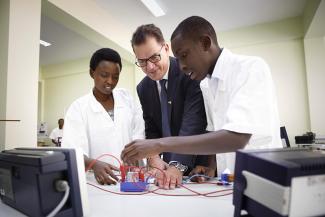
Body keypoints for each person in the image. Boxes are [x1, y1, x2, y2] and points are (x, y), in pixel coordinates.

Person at [122, 16, 282, 176]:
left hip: (264, 174)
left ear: (205, 43)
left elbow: (237, 138)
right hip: (231, 177)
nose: (182, 66)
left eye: (184, 55)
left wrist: (159, 145)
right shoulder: (207, 83)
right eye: (178, 59)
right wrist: (211, 166)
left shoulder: (250, 68)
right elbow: (213, 133)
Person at [131, 24, 216, 188]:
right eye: (142, 61)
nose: (149, 67)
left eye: (154, 57)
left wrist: (177, 165)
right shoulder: (143, 88)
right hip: (168, 167)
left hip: (199, 165)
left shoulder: (188, 70)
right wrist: (153, 156)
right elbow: (152, 126)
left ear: (166, 48)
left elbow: (193, 122)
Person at [62, 48, 145, 185]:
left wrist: (136, 153)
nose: (110, 81)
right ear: (92, 73)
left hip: (132, 178)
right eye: (104, 75)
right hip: (98, 182)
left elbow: (139, 131)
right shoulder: (78, 108)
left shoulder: (127, 98)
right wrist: (94, 164)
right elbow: (72, 152)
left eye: (115, 77)